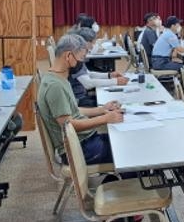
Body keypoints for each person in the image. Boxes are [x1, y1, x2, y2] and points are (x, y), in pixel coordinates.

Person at [37, 34, 123, 165]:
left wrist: (102, 109)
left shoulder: (59, 78)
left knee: (122, 139)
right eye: (81, 58)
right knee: (127, 151)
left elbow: (74, 110)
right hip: (79, 149)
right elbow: (69, 125)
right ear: (68, 56)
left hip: (84, 141)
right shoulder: (55, 86)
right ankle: (117, 183)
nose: (82, 63)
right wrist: (105, 119)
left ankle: (116, 181)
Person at [69, 27, 129, 107]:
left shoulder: (78, 55)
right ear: (85, 42)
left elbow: (88, 73)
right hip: (79, 100)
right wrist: (115, 81)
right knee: (116, 104)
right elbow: (88, 83)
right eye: (92, 43)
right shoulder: (75, 59)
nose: (93, 45)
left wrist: (109, 75)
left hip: (83, 95)